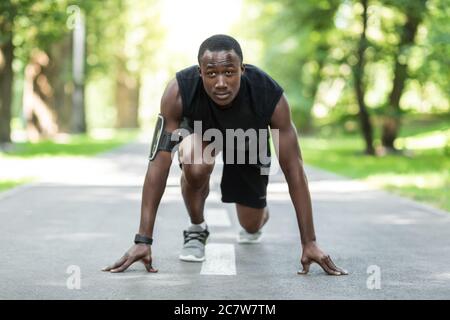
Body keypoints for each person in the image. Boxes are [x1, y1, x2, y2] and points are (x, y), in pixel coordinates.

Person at [102, 34, 347, 276]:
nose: (220, 82)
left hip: (248, 140)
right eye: (211, 74)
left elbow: (295, 170)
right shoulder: (178, 91)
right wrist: (143, 239)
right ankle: (197, 228)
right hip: (201, 134)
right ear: (200, 72)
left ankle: (259, 211)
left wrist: (309, 241)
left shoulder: (268, 95)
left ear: (242, 69)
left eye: (229, 72)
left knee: (251, 224)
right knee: (196, 163)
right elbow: (158, 162)